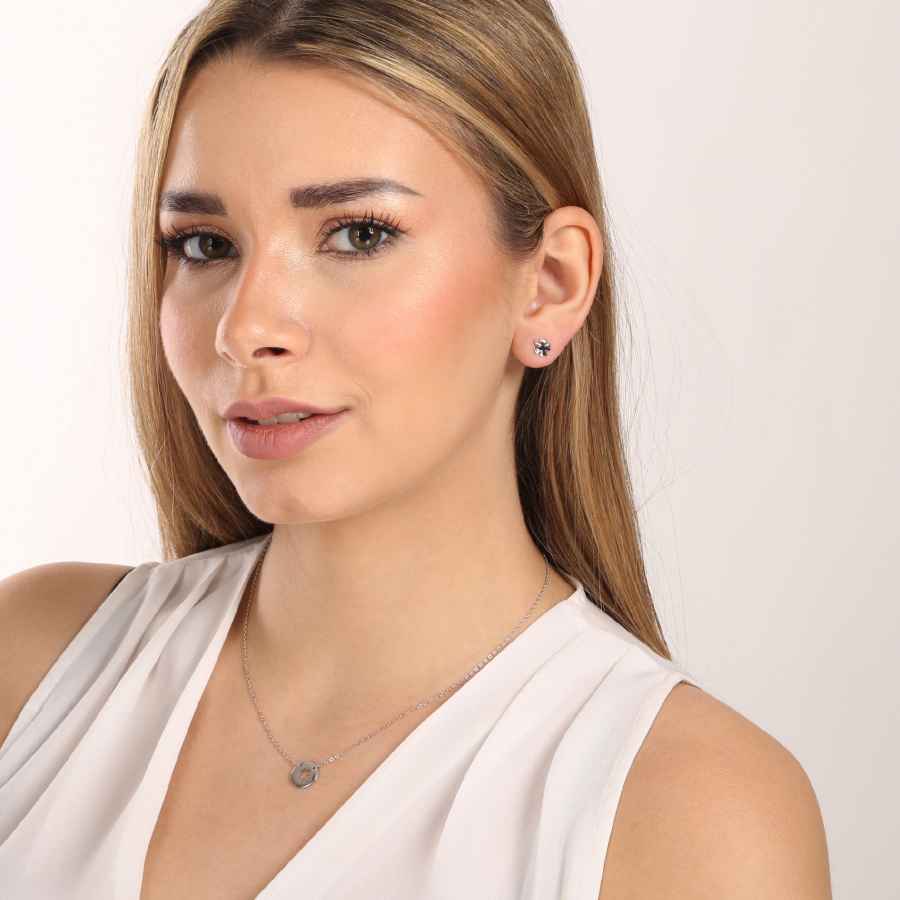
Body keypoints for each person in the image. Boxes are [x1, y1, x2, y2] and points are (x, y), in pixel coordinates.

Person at [0, 0, 831, 897]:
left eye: (359, 234)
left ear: (550, 285)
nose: (245, 328)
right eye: (205, 245)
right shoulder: (35, 664)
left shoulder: (693, 813)